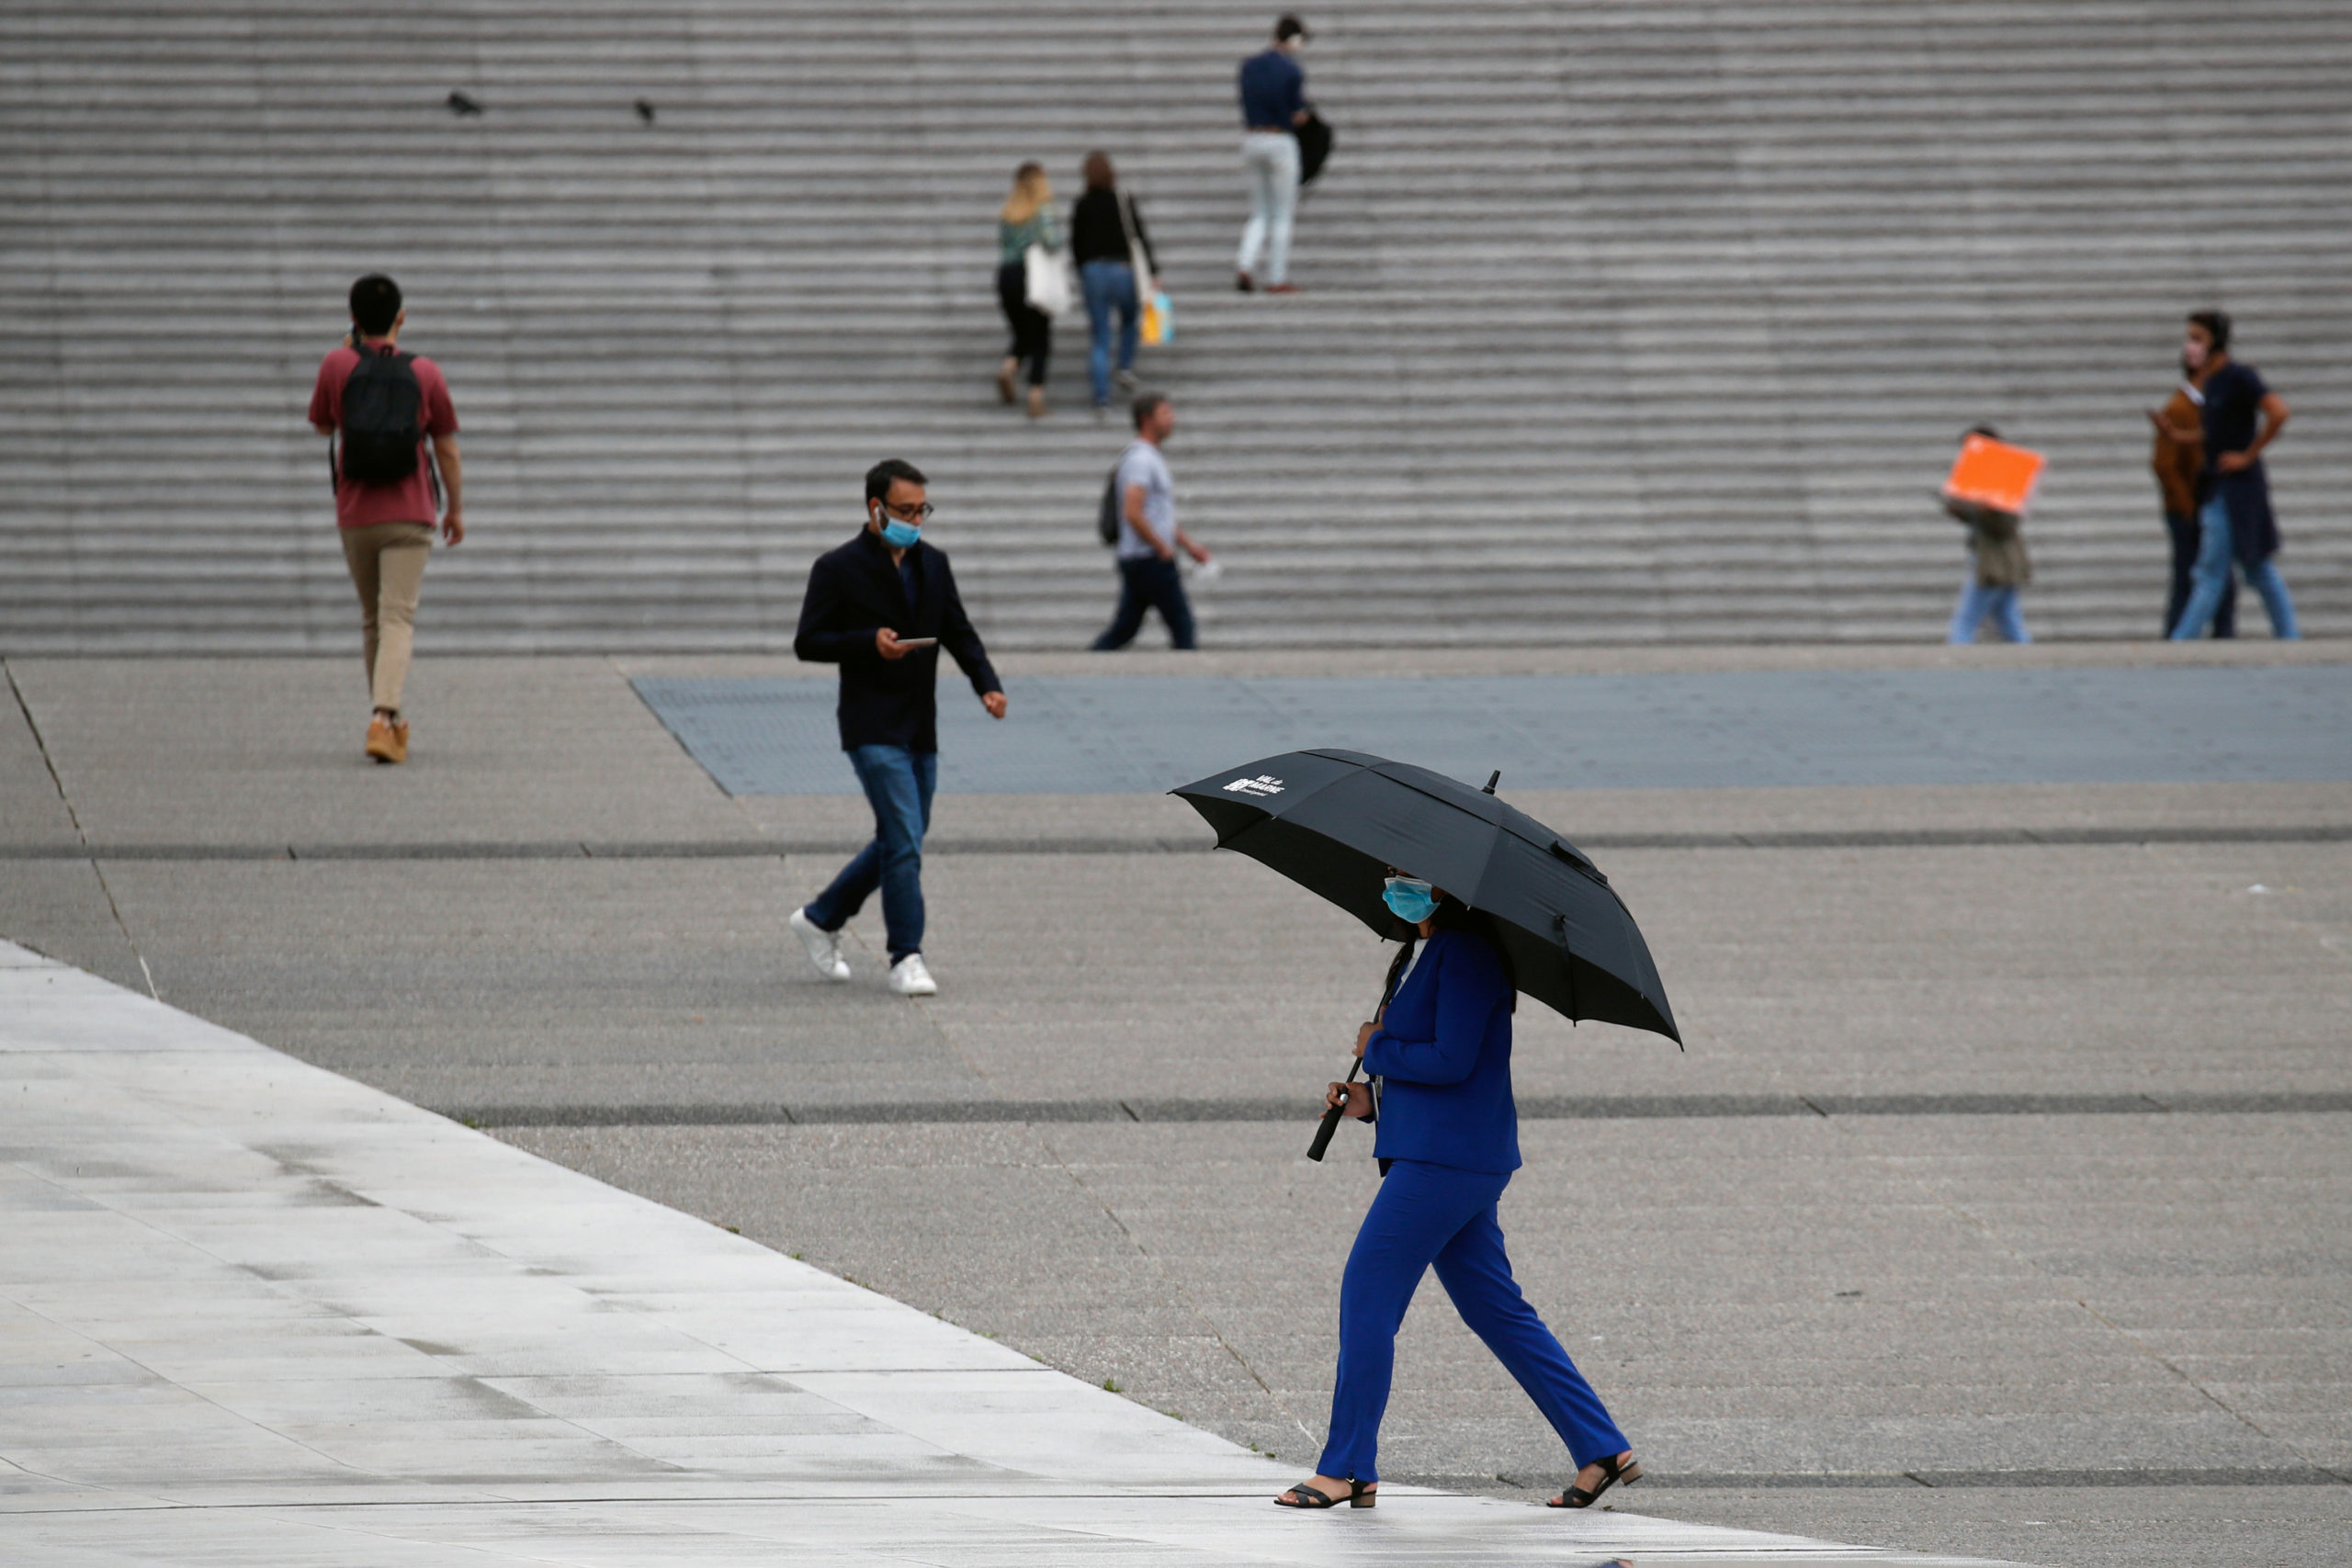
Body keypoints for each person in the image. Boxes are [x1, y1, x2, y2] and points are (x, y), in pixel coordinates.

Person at [1275, 874, 1638, 1513]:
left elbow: (1453, 1060)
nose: (1393, 886)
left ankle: (1348, 1466)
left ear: (1450, 887)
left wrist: (1377, 1047)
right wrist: (1370, 1103)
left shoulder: (1468, 952)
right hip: (1444, 1153)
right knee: (1495, 1308)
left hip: (1446, 1162)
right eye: (1389, 876)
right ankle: (1601, 1446)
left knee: (1368, 1291)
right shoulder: (1425, 950)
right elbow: (1436, 1072)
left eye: (1411, 881)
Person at [789, 460, 1008, 997]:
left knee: (900, 837)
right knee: (905, 841)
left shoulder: (933, 563)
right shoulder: (838, 567)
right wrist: (868, 642)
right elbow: (808, 640)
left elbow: (958, 629)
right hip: (870, 724)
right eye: (906, 511)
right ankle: (906, 955)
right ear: (876, 509)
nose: (916, 520)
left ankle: (821, 917)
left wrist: (987, 684)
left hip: (920, 724)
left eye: (922, 510)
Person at [308, 274, 463, 765]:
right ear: (401, 316)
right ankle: (383, 715)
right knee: (398, 615)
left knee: (374, 618)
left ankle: (390, 723)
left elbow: (323, 426)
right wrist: (455, 508)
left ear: (353, 318)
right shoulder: (427, 373)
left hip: (356, 513)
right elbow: (447, 448)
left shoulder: (336, 364)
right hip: (410, 511)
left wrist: (344, 358)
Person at [2157, 310, 2299, 639]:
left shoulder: (2239, 377)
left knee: (2225, 571)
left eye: (2197, 338)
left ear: (2216, 341)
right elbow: (2214, 431)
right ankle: (2289, 637)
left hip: (2239, 489)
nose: (2190, 346)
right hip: (2216, 485)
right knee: (2244, 569)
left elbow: (2279, 412)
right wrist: (2177, 436)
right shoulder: (2213, 380)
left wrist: (2249, 454)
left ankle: (2182, 641)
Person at [1091, 393, 1213, 650]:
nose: (1172, 419)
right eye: (1166, 413)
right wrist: (1161, 547)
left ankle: (1083, 664)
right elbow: (1133, 512)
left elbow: (1159, 514)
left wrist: (1188, 545)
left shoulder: (1148, 457)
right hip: (1149, 558)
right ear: (1147, 419)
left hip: (1141, 557)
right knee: (1183, 626)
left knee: (1125, 628)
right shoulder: (1141, 460)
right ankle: (1193, 680)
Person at [2153, 353, 2235, 637]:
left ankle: (2216, 635)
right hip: (2188, 508)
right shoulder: (2180, 407)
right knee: (2191, 578)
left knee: (2212, 578)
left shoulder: (2204, 407)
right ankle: (2178, 637)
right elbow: (2164, 465)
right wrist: (2188, 507)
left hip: (2203, 503)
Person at [1070, 151, 1159, 414]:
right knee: (1130, 319)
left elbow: (1076, 244)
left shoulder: (1082, 203)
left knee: (1100, 336)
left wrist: (1083, 271)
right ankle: (1124, 366)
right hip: (1123, 270)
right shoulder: (1123, 200)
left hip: (1094, 271)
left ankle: (1101, 399)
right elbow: (1139, 236)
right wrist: (1153, 270)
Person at [1236, 16, 1311, 294]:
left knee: (1259, 212)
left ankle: (1245, 263)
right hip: (1280, 140)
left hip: (1252, 138)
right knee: (1282, 214)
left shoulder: (1249, 67)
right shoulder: (1291, 71)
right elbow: (1298, 114)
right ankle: (1276, 277)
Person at [1945, 424, 2031, 645]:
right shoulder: (1988, 475)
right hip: (1995, 559)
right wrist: (1965, 511)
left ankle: (1957, 661)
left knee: (1966, 620)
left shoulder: (2006, 475)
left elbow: (2005, 526)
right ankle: (2029, 656)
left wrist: (1984, 511)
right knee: (2007, 617)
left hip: (1995, 561)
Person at [996, 163, 1061, 419]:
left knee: (1022, 332)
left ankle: (1009, 367)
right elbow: (1052, 241)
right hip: (1033, 277)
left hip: (1007, 276)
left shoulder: (1008, 212)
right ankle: (1035, 394)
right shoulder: (1042, 211)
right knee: (1041, 336)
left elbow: (1003, 243)